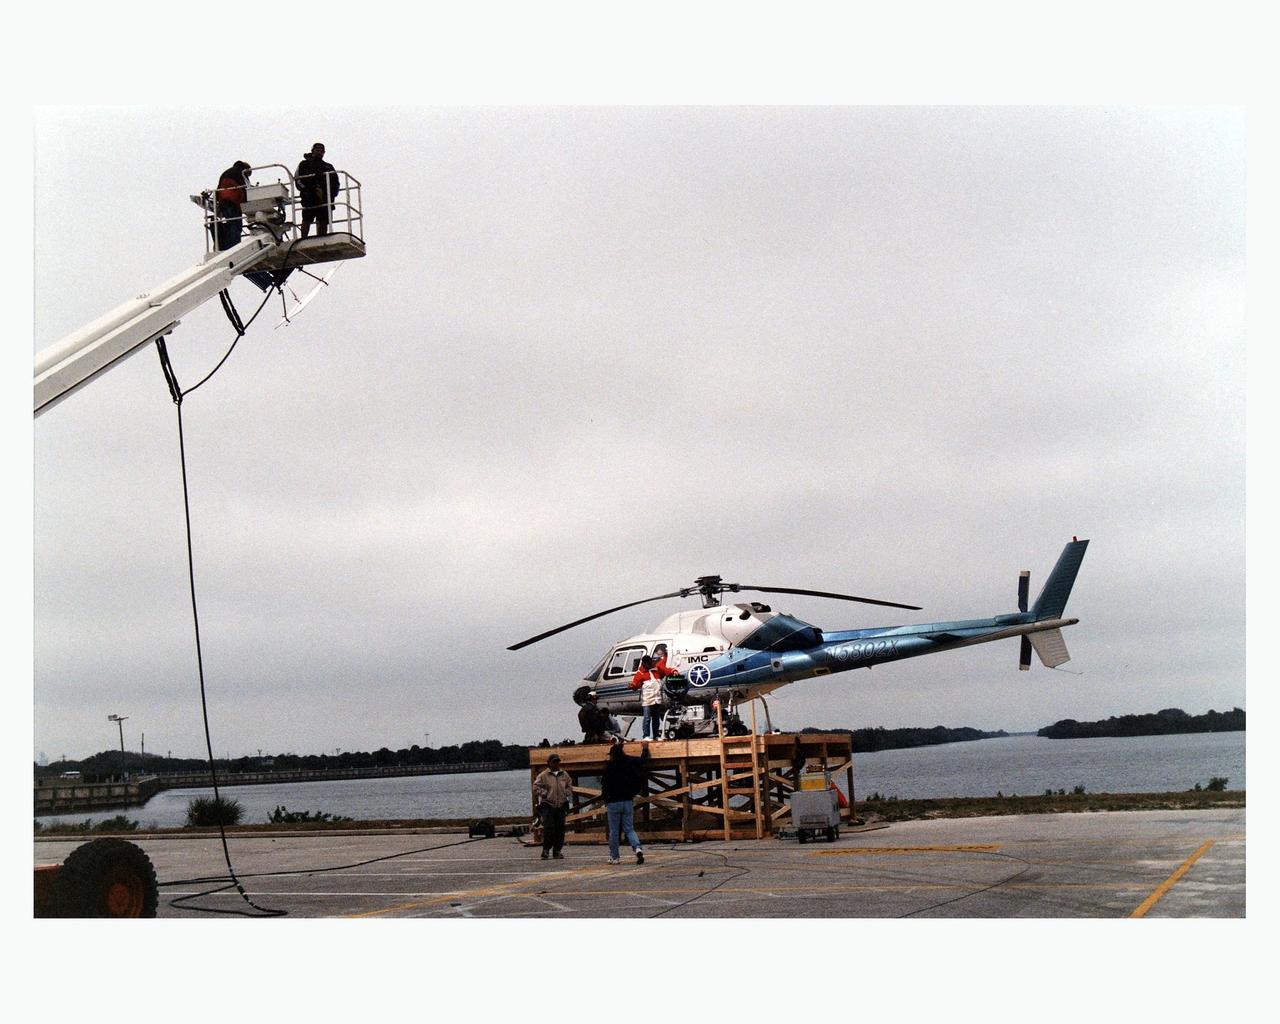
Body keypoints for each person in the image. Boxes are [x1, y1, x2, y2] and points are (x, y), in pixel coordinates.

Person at [600, 739, 648, 865]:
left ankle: (614, 857)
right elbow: (642, 760)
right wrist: (645, 748)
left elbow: (604, 785)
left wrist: (605, 798)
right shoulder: (628, 762)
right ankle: (637, 848)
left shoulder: (609, 767)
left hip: (613, 802)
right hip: (627, 800)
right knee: (629, 829)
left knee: (614, 830)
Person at [295, 143, 340, 238]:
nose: (319, 152)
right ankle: (303, 238)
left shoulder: (328, 166)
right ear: (313, 151)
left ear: (324, 152)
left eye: (321, 150)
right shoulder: (304, 164)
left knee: (323, 220)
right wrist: (308, 191)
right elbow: (298, 179)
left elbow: (336, 183)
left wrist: (331, 195)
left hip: (325, 198)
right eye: (317, 150)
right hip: (309, 197)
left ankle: (321, 238)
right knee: (307, 218)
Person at [532, 753, 572, 860]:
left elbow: (569, 785)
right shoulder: (543, 775)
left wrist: (567, 792)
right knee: (549, 828)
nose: (556, 763)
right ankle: (546, 850)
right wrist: (543, 792)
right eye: (554, 761)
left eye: (557, 761)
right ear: (549, 763)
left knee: (560, 829)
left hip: (561, 804)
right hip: (548, 804)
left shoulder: (564, 774)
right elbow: (535, 786)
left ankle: (557, 851)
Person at [214, 160, 252, 251]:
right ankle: (234, 247)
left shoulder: (227, 172)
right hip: (233, 202)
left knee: (230, 224)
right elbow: (246, 190)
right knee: (235, 226)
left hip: (223, 202)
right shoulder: (242, 173)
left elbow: (219, 188)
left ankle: (227, 245)